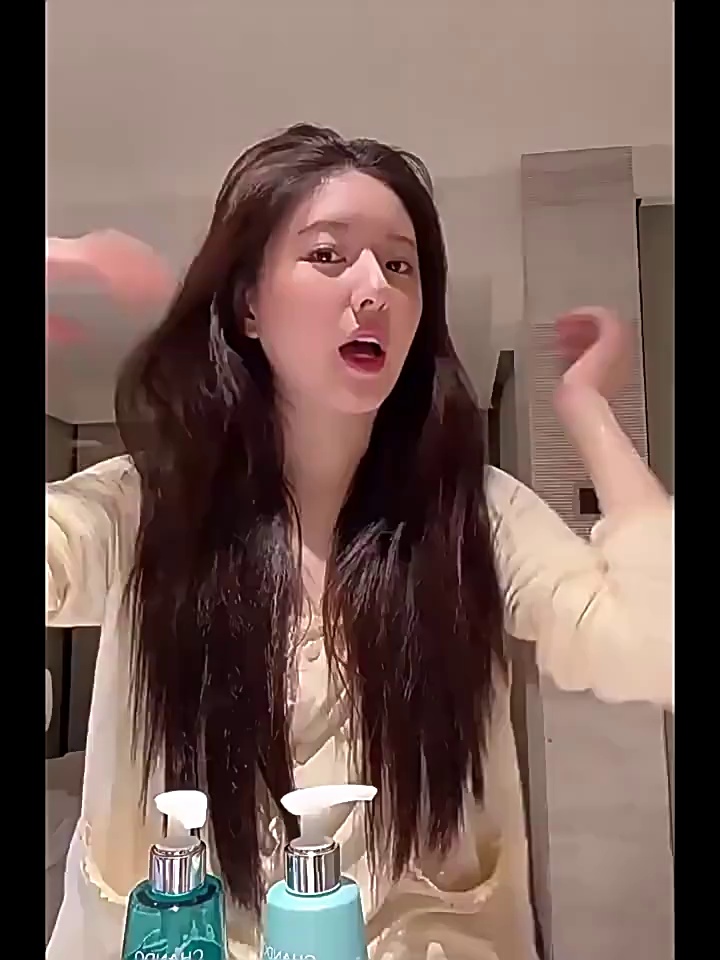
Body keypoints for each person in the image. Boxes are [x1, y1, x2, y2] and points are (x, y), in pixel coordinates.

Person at [46, 123, 673, 960]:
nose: (374, 286)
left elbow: (655, 644)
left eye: (401, 265)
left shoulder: (474, 516)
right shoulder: (144, 505)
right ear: (248, 306)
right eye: (328, 255)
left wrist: (589, 408)